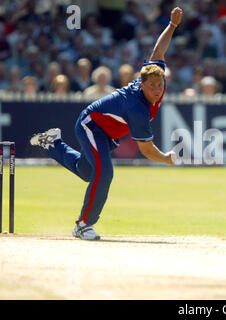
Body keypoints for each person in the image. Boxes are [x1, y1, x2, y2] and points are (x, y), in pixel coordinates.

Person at [30, 7, 184, 241]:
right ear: (142, 84)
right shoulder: (137, 107)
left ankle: (53, 144)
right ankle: (83, 224)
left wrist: (172, 25)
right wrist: (166, 158)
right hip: (91, 125)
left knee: (86, 171)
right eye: (152, 86)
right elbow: (146, 149)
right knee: (104, 174)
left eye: (160, 86)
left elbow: (158, 50)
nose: (157, 90)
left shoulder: (156, 74)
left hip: (108, 134)